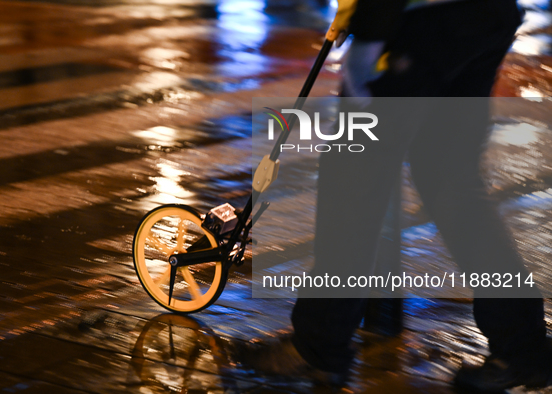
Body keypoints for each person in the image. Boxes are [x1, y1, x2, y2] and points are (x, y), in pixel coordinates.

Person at [237, 0, 552, 392]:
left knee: (351, 182)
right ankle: (524, 348)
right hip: (486, 16)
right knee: (453, 183)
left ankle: (316, 347)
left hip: (419, 27)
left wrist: (367, 45)